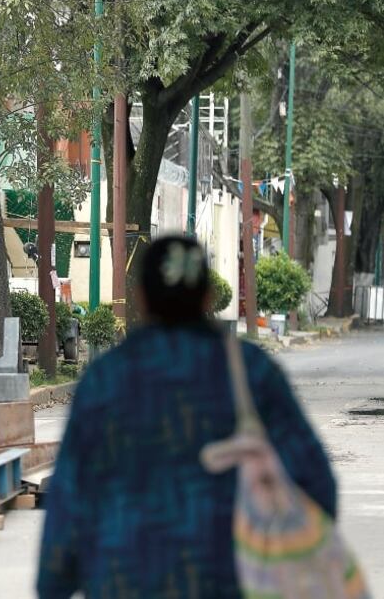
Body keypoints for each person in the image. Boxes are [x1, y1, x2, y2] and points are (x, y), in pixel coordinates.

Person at [37, 236, 336, 598]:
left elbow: (71, 494)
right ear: (208, 296)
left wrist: (54, 582)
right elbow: (316, 483)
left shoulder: (105, 380)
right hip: (231, 580)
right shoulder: (252, 372)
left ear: (142, 298)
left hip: (125, 581)